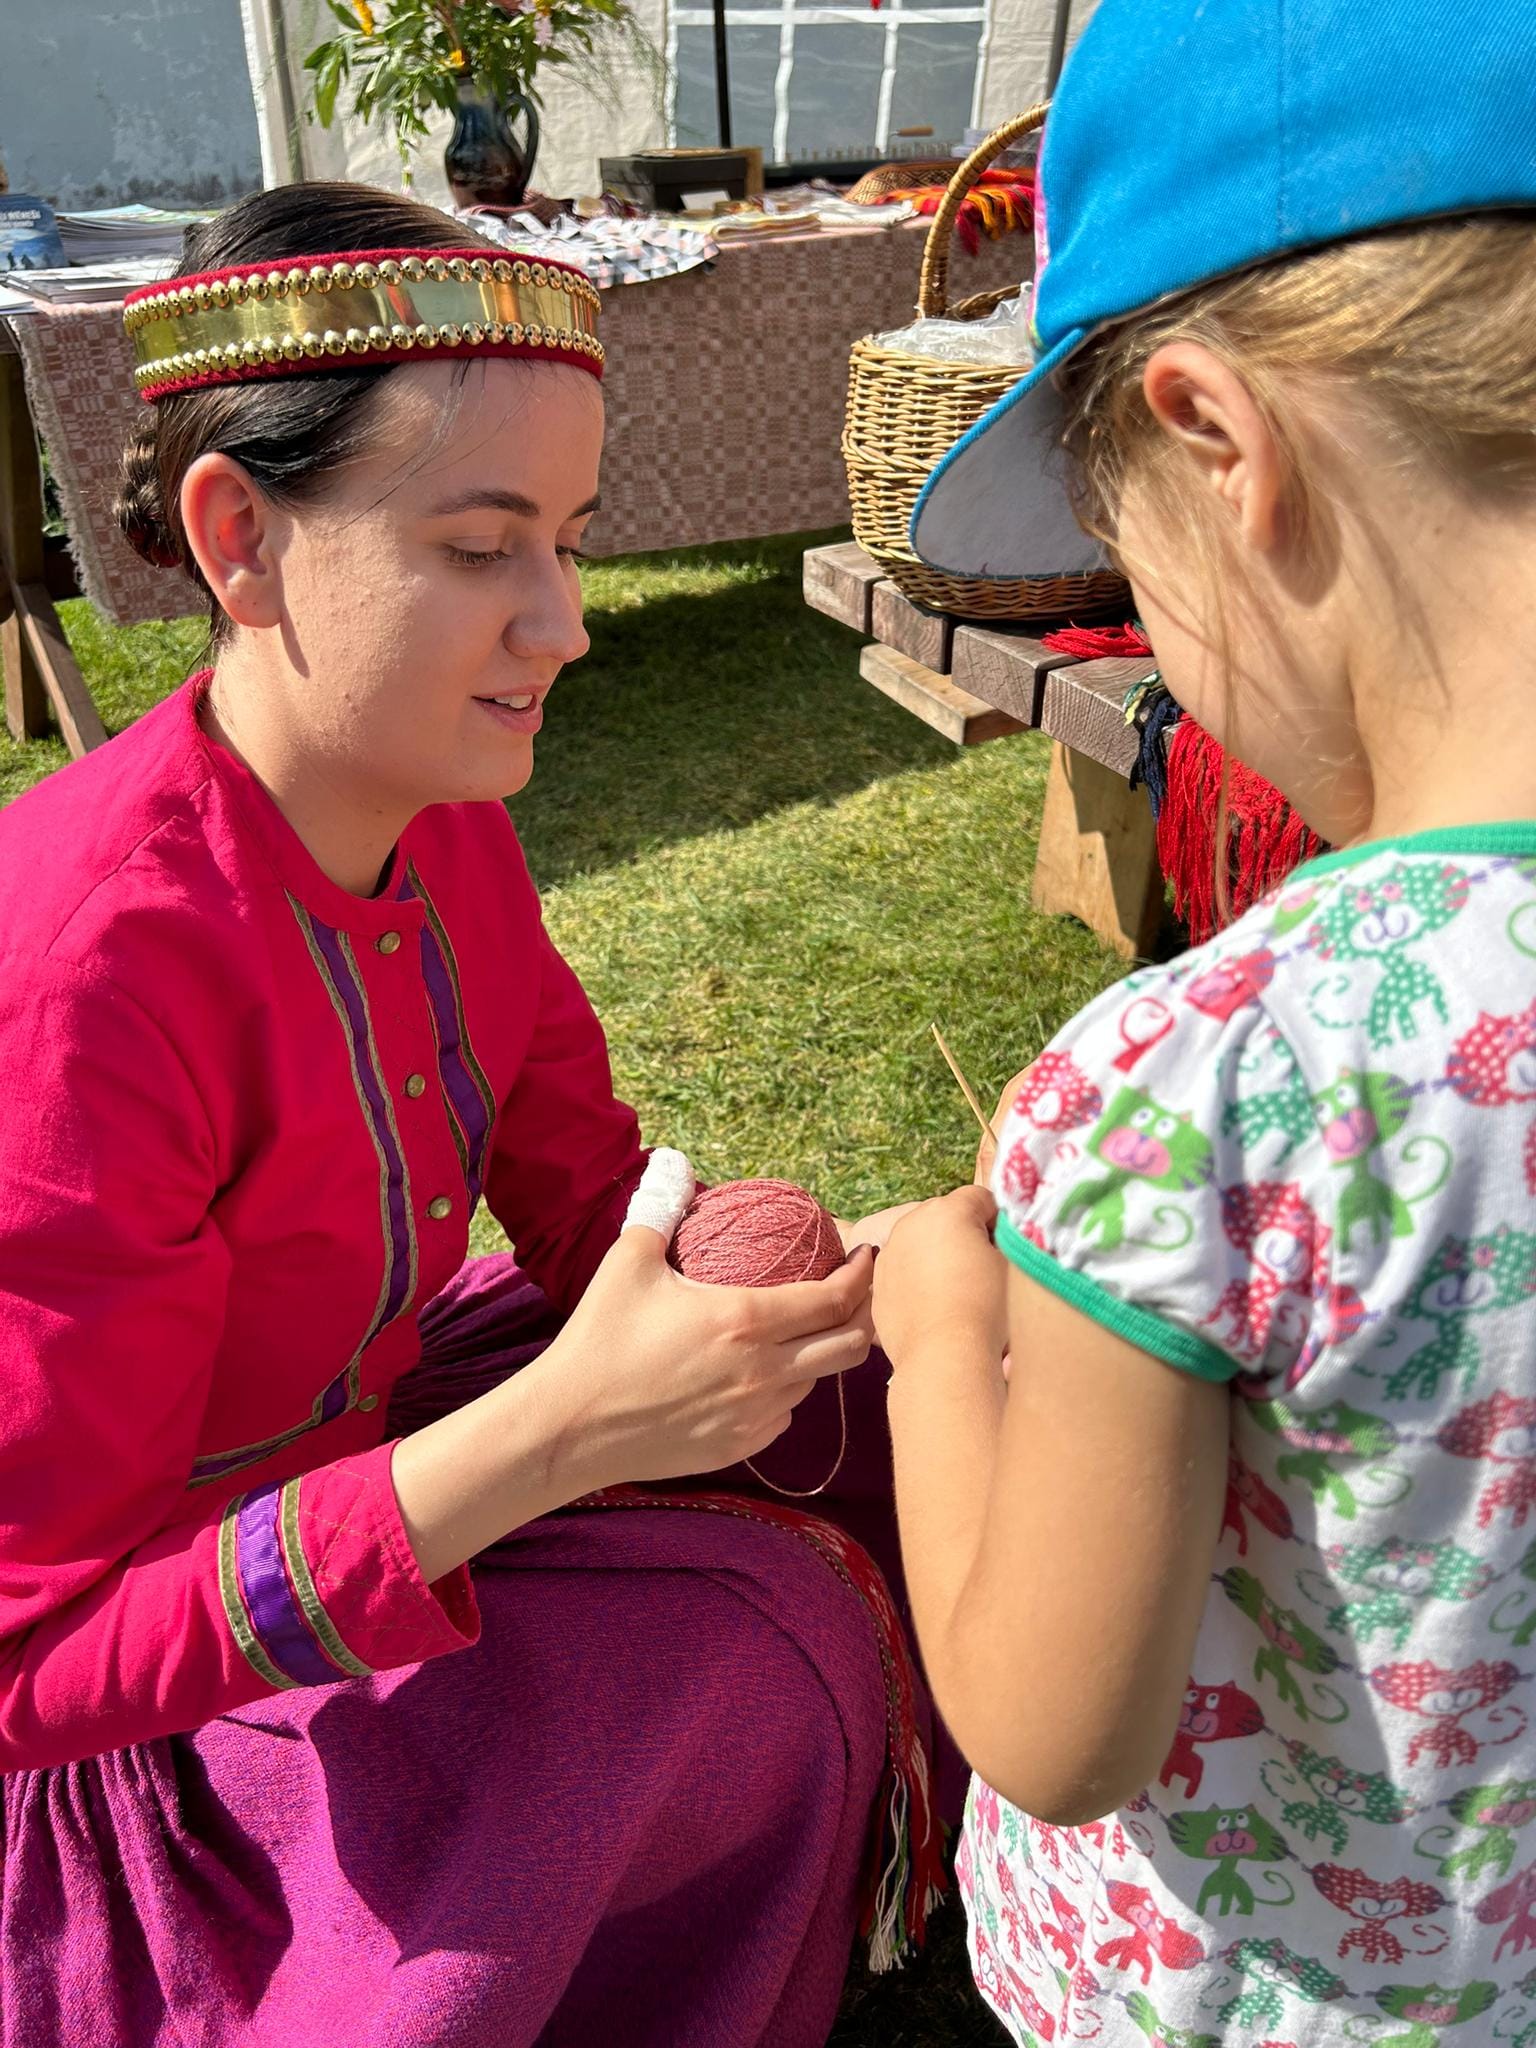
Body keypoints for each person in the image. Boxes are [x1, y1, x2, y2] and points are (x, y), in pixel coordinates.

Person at [0, 183, 938, 2048]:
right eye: (484, 546)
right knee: (721, 1671)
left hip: (366, 1439)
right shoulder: (84, 981)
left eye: (570, 544)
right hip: (157, 1708)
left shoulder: (443, 817)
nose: (564, 624)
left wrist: (804, 1293)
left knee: (897, 1399)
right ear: (240, 538)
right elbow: (35, 1660)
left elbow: (587, 1185)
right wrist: (566, 1432)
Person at [872, 0, 1536, 2041]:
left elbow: (1048, 1724)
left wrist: (937, 1337)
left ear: (1220, 446)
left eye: (1123, 554)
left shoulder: (1212, 1082)